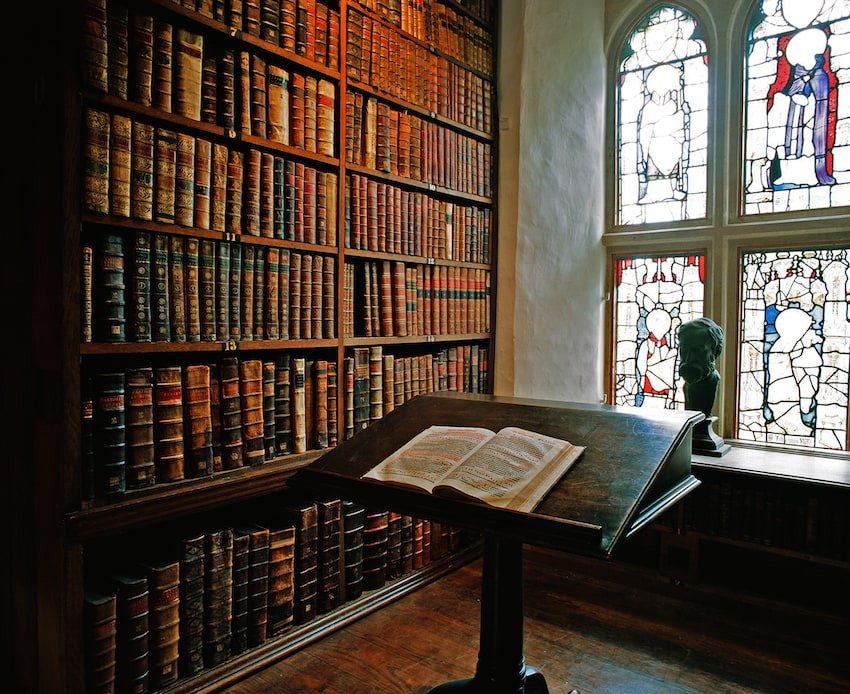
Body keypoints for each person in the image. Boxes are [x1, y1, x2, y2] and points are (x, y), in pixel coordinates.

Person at [677, 317, 724, 418]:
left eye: (697, 350)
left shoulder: (712, 381)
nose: (689, 358)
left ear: (715, 351)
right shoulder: (690, 381)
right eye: (684, 350)